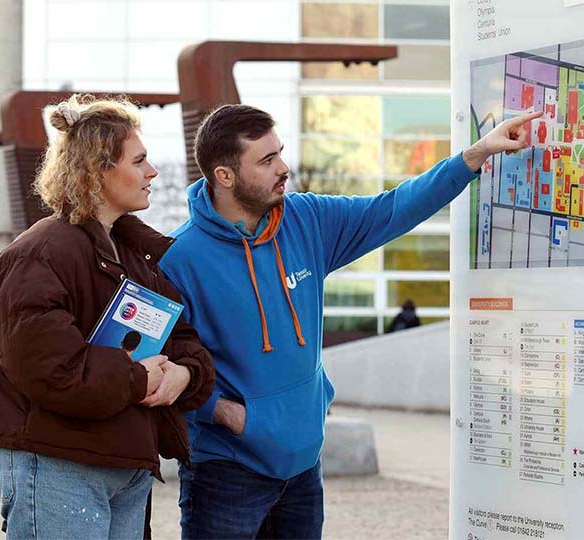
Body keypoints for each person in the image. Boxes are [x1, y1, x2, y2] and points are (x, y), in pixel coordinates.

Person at [159, 104, 540, 539]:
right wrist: (226, 414)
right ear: (224, 176)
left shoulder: (306, 220)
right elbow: (159, 363)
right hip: (227, 474)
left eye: (279, 153)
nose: (283, 168)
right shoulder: (178, 259)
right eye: (266, 161)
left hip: (303, 468)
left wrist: (473, 157)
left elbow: (393, 208)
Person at [0, 94, 214, 540]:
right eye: (139, 161)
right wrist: (138, 379)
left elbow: (184, 340)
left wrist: (183, 374)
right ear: (99, 170)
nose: (152, 173)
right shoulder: (38, 256)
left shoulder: (137, 254)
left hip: (125, 464)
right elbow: (48, 369)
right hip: (59, 464)